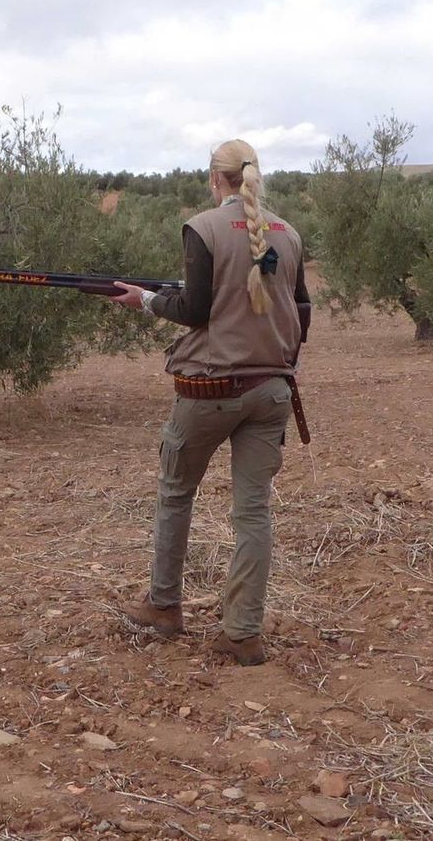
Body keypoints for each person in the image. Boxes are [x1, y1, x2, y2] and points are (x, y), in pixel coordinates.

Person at [108, 139, 309, 666]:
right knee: (253, 513)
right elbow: (300, 312)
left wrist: (146, 300)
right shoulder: (288, 234)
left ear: (215, 179)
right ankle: (243, 632)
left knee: (176, 492)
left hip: (209, 391)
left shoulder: (203, 228)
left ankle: (164, 605)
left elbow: (195, 309)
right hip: (272, 391)